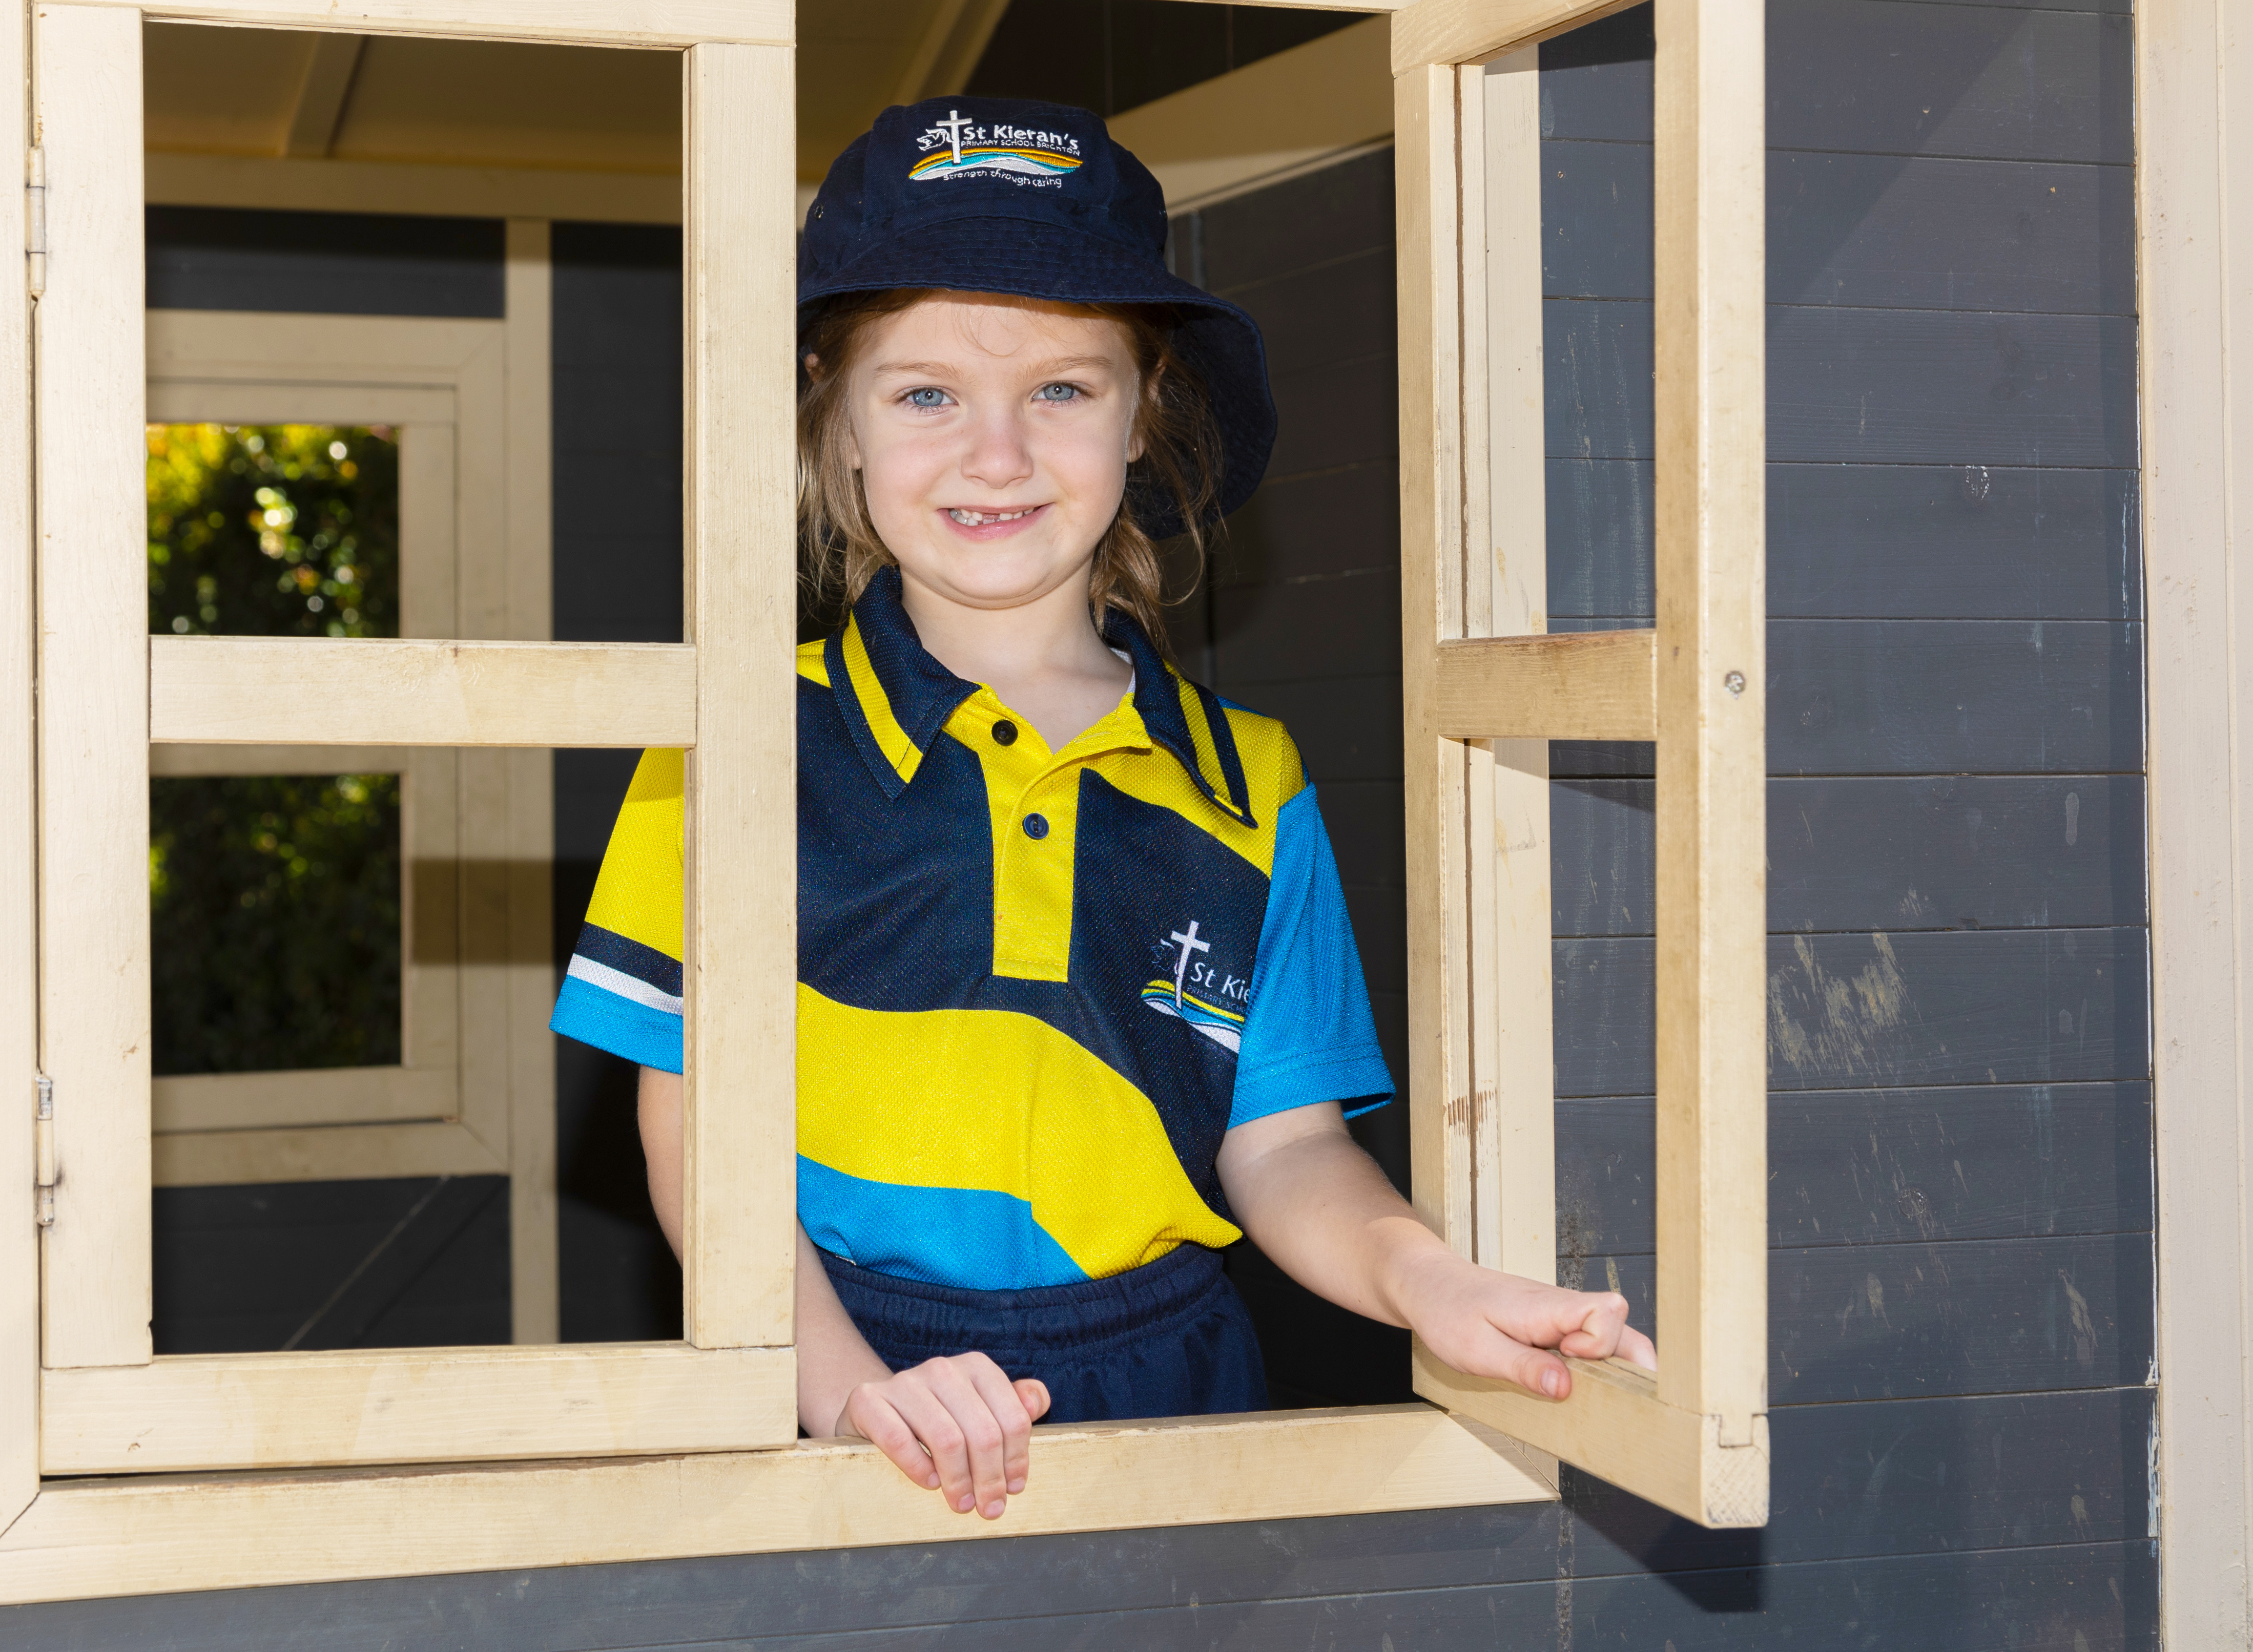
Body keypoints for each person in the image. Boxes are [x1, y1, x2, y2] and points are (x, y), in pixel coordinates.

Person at [550, 96, 1652, 1523]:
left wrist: (1427, 1279)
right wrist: (839, 1383)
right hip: (836, 1376)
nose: (995, 454)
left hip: (1181, 1383)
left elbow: (1286, 1144)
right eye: (926, 393)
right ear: (838, 421)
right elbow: (693, 1130)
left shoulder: (1249, 778)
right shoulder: (731, 743)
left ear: (1146, 417)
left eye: (1062, 391)